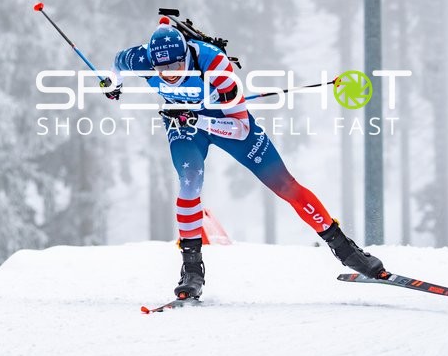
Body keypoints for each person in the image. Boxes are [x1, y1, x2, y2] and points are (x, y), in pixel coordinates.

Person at [103, 15, 384, 299]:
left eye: (176, 66)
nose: (171, 74)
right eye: (162, 70)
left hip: (223, 120)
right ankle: (191, 271)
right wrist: (112, 84)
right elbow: (117, 64)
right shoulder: (141, 58)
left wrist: (198, 121)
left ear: (186, 55)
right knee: (189, 182)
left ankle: (346, 251)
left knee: (286, 185)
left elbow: (239, 129)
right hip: (183, 124)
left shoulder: (214, 65)